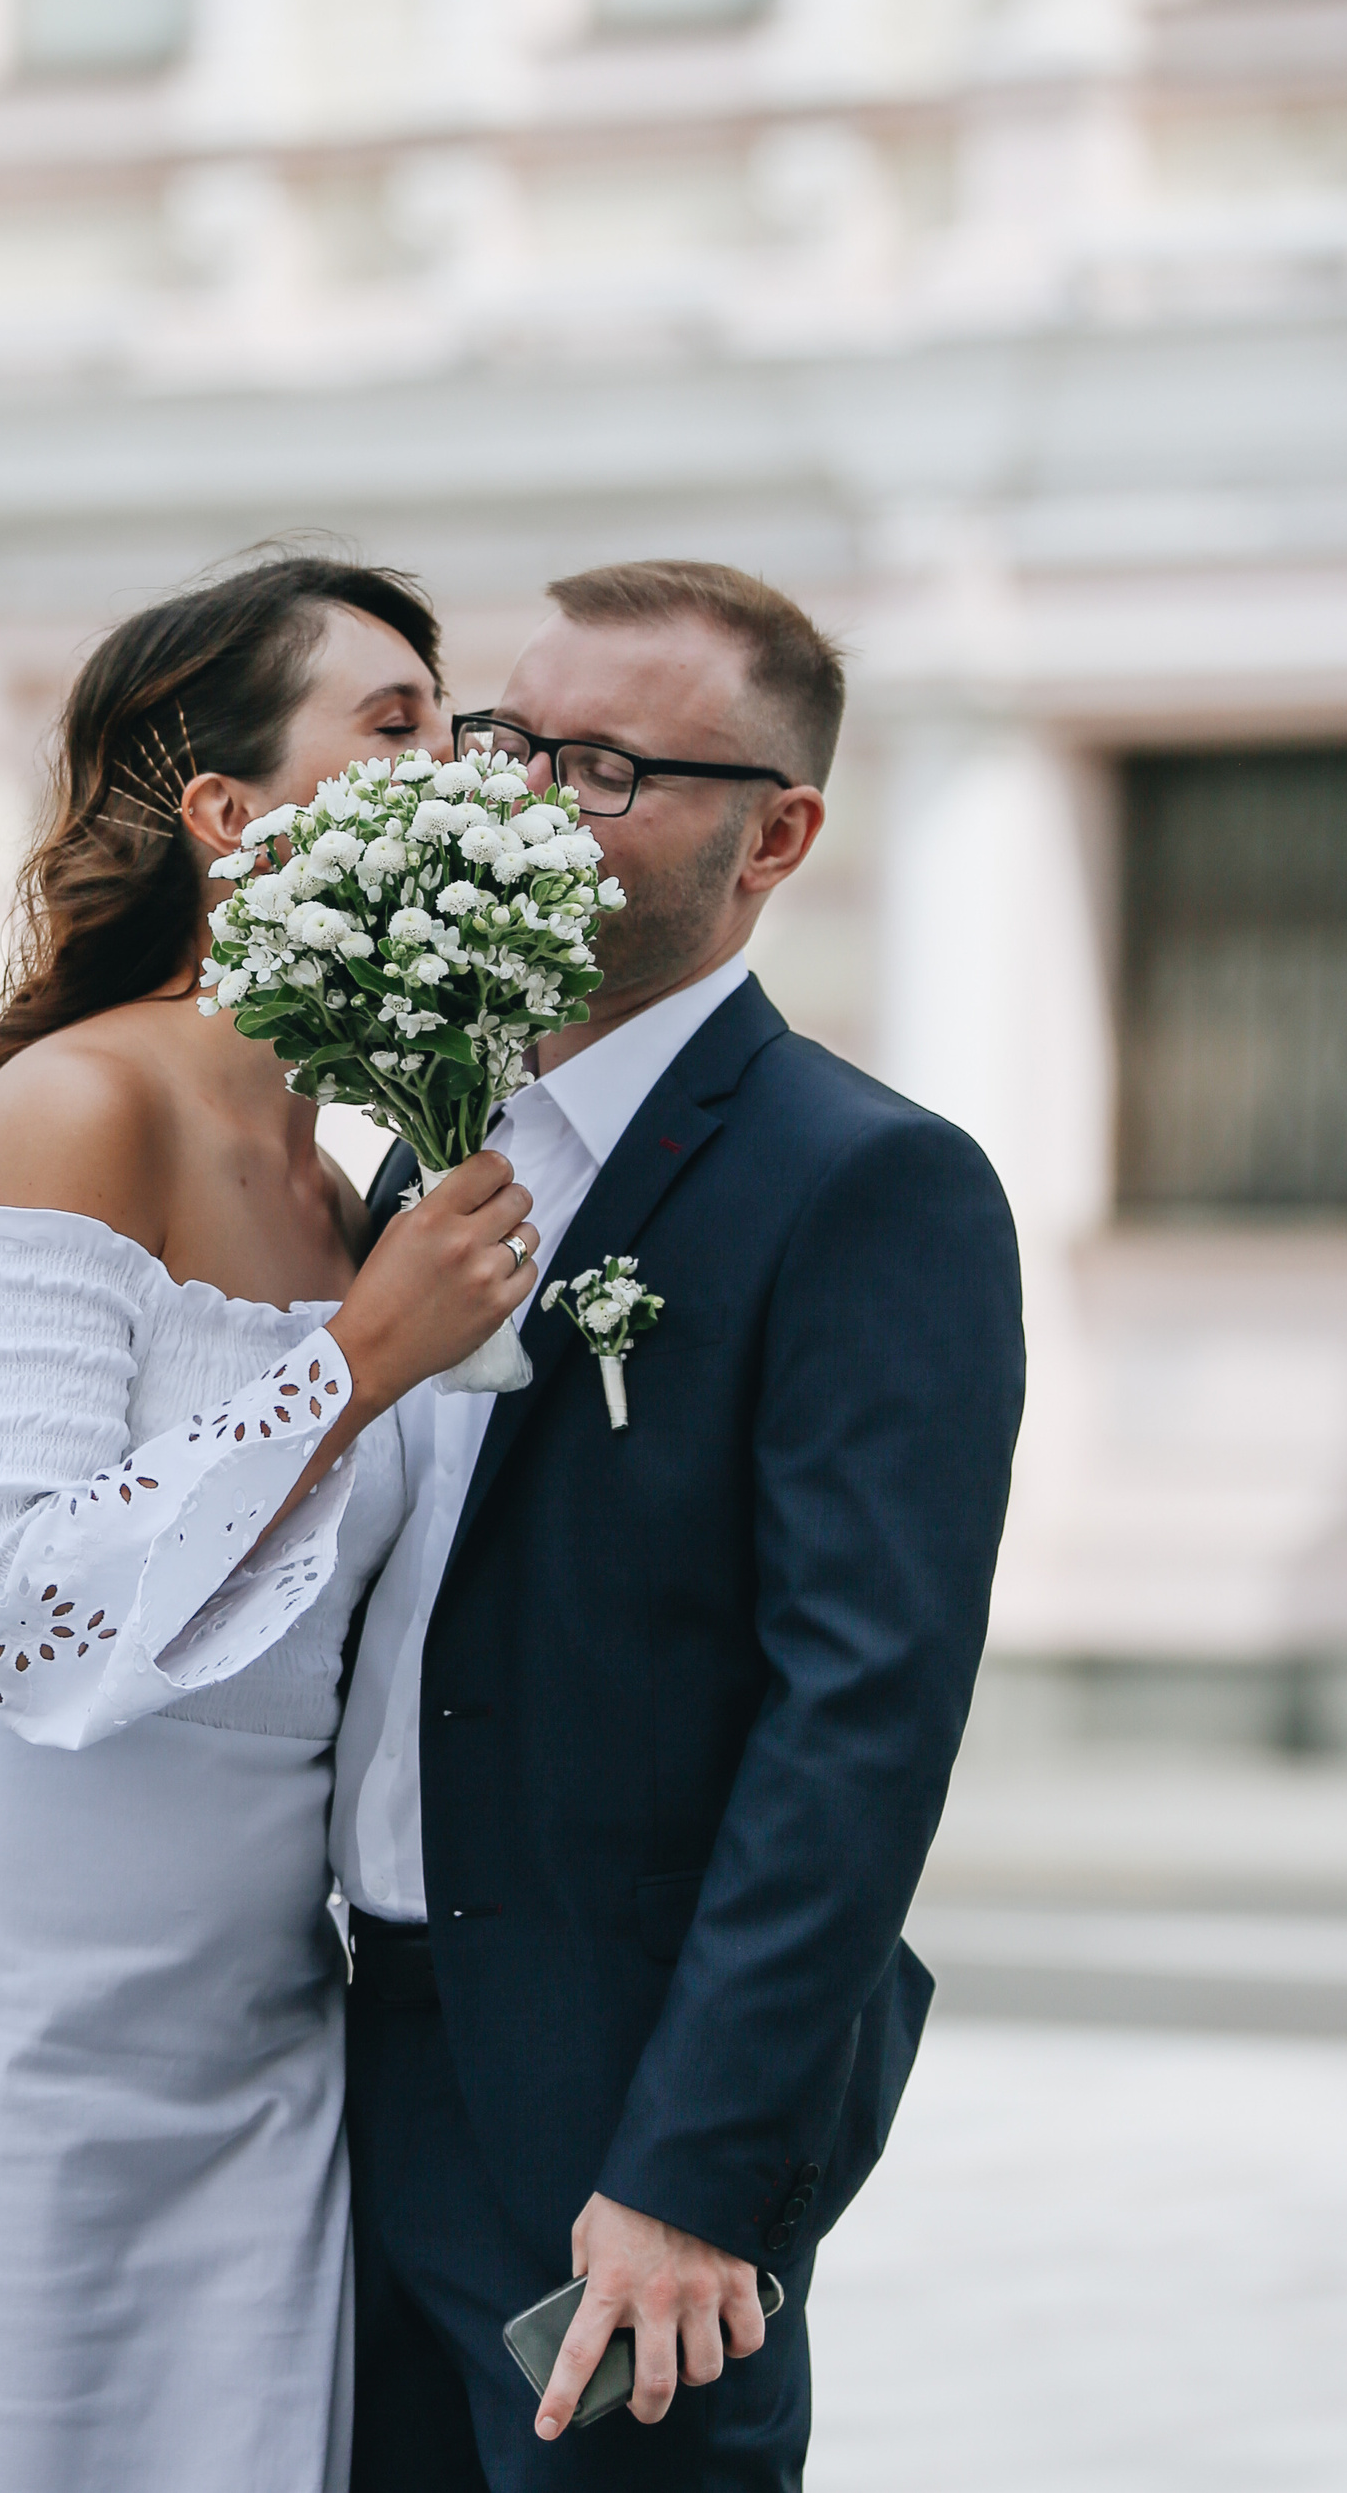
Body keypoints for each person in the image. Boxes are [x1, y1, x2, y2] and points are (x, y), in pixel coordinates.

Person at [0, 554, 542, 2493]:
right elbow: (6, 1611)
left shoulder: (354, 1163)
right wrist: (352, 1360)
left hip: (245, 2014)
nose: (460, 766)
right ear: (226, 813)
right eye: (395, 725)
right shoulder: (70, 1105)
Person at [336, 559, 1025, 2493]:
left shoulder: (870, 1185)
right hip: (347, 2048)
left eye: (608, 766)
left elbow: (863, 1718)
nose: (527, 798)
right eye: (512, 742)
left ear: (776, 836)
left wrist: (697, 2171)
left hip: (617, 2110)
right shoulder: (419, 1138)